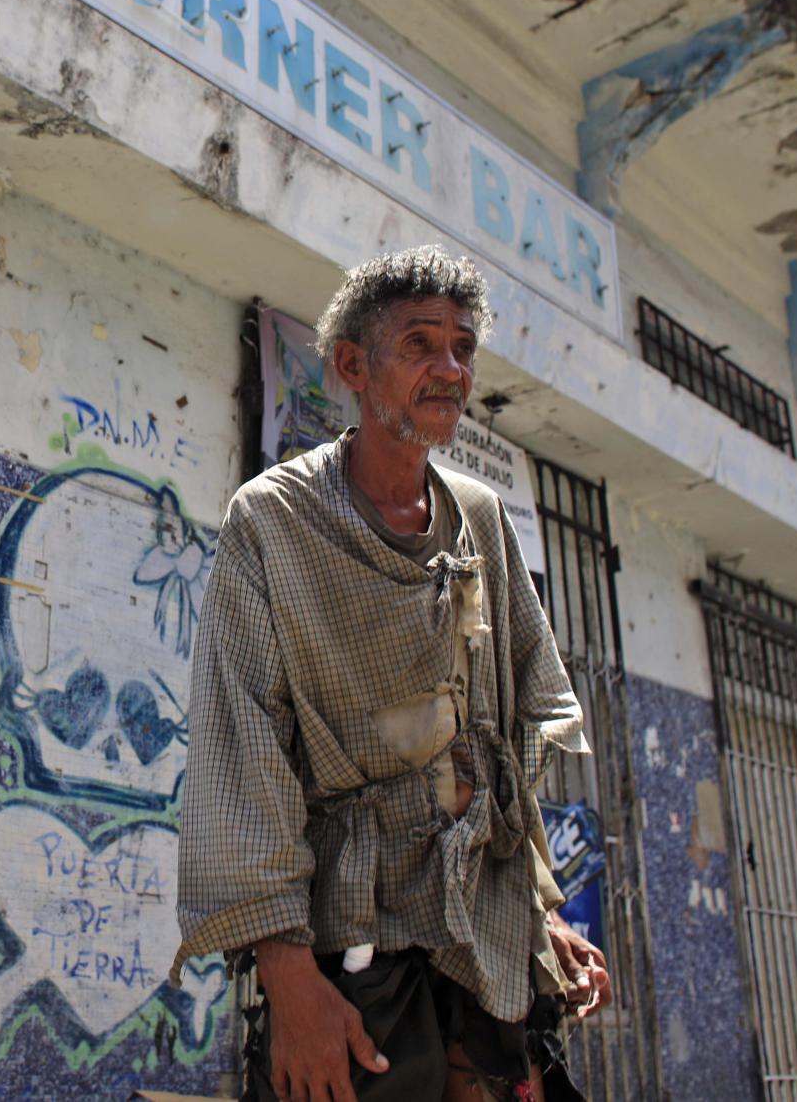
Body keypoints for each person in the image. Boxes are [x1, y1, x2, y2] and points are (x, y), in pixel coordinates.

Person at [174, 248, 612, 1101]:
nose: (450, 369)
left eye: (461, 347)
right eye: (419, 344)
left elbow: (522, 718)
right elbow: (241, 750)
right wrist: (291, 979)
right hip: (351, 949)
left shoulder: (479, 516)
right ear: (352, 365)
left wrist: (538, 907)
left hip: (484, 931)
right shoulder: (273, 521)